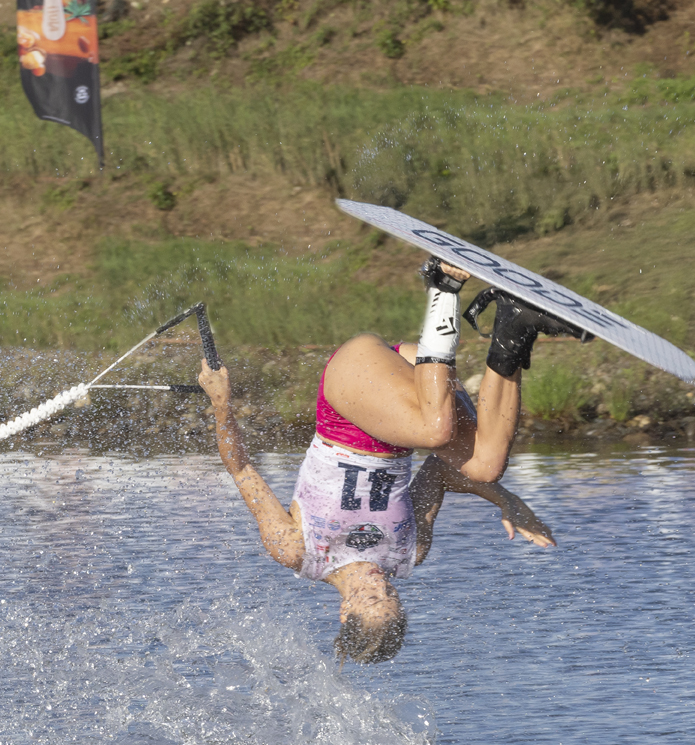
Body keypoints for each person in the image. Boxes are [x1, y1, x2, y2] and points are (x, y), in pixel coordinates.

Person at [199, 258, 583, 666]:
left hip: (353, 383)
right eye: (392, 596)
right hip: (413, 396)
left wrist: (220, 403)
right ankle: (515, 325)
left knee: (436, 433)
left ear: (344, 612)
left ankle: (442, 286)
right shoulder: (407, 552)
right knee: (486, 465)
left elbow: (241, 468)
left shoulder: (296, 548)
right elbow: (440, 471)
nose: (381, 585)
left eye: (372, 598)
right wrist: (506, 501)